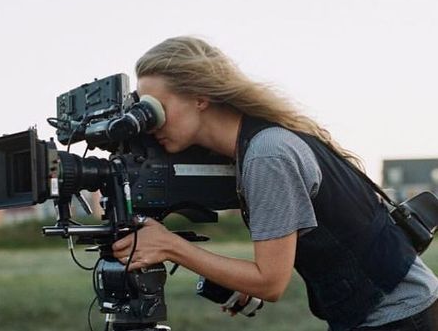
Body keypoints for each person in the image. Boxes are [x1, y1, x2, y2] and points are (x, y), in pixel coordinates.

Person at [112, 36, 438, 331]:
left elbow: (270, 283)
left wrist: (169, 245)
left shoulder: (267, 154)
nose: (150, 125)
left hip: (400, 315)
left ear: (201, 97)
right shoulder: (258, 141)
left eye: (155, 109)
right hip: (393, 309)